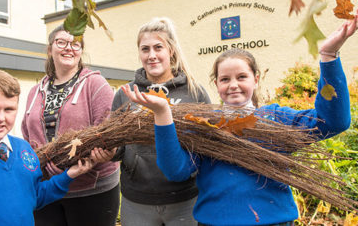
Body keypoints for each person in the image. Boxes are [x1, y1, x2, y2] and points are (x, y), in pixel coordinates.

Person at [121, 16, 357, 226]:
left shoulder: (275, 119)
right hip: (214, 222)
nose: (233, 84)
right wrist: (163, 114)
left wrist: (328, 57)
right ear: (216, 85)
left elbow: (333, 122)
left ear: (256, 78)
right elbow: (176, 171)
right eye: (225, 79)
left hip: (273, 222)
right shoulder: (204, 125)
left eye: (241, 76)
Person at [0, 68, 93, 225]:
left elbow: (34, 196)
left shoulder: (24, 149)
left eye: (9, 109)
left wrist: (68, 176)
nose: (1, 118)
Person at [111, 17, 211, 226]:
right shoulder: (127, 94)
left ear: (171, 50)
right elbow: (117, 147)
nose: (152, 55)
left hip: (184, 199)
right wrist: (108, 153)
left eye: (158, 47)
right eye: (145, 49)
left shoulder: (194, 91)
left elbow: (208, 145)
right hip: (136, 200)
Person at [21, 25, 119, 226]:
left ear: (81, 50)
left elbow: (110, 134)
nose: (69, 48)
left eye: (75, 44)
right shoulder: (35, 91)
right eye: (61, 42)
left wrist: (101, 154)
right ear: (50, 49)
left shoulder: (96, 85)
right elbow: (26, 134)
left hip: (91, 189)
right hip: (47, 189)